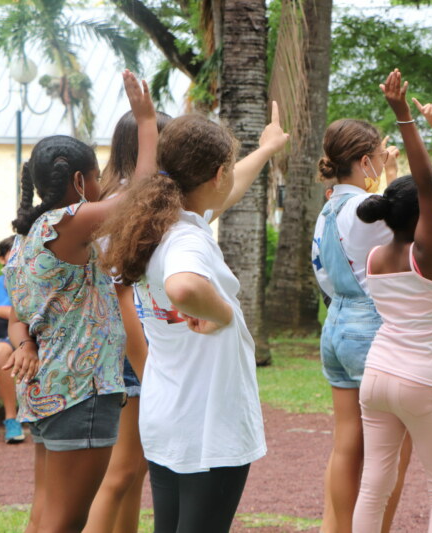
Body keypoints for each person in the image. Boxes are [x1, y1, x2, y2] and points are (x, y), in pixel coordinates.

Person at [97, 105, 289, 533]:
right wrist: (222, 310)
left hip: (171, 414)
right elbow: (184, 287)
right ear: (217, 174)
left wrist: (267, 148)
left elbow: (228, 188)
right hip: (207, 420)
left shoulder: (150, 227)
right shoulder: (184, 237)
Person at [3, 70, 157, 533]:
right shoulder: (66, 223)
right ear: (77, 180)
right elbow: (142, 192)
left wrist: (25, 344)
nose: (99, 184)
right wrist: (146, 121)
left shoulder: (26, 238)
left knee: (45, 512)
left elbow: (18, 317)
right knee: (68, 521)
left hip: (49, 390)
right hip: (80, 391)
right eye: (94, 176)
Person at [312, 79, 432, 533]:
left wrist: (391, 174)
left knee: (347, 447)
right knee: (388, 458)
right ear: (364, 161)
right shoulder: (368, 208)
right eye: (377, 154)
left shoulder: (329, 206)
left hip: (334, 324)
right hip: (371, 333)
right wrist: (430, 136)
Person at [352, 69, 432, 532]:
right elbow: (428, 188)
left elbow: (420, 193)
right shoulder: (427, 259)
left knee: (373, 486)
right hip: (422, 380)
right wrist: (403, 115)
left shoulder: (377, 257)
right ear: (423, 212)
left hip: (376, 378)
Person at [83, 109, 173, 533]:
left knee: (134, 470)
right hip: (130, 344)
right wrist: (146, 366)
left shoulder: (113, 199)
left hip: (123, 342)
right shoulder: (126, 206)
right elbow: (120, 293)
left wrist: (265, 150)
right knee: (122, 471)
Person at [0, 235, 23, 444]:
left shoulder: (30, 281)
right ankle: (11, 419)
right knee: (0, 352)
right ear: (2, 259)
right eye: (12, 252)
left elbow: (24, 314)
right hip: (2, 337)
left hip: (26, 338)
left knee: (1, 352)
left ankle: (13, 419)